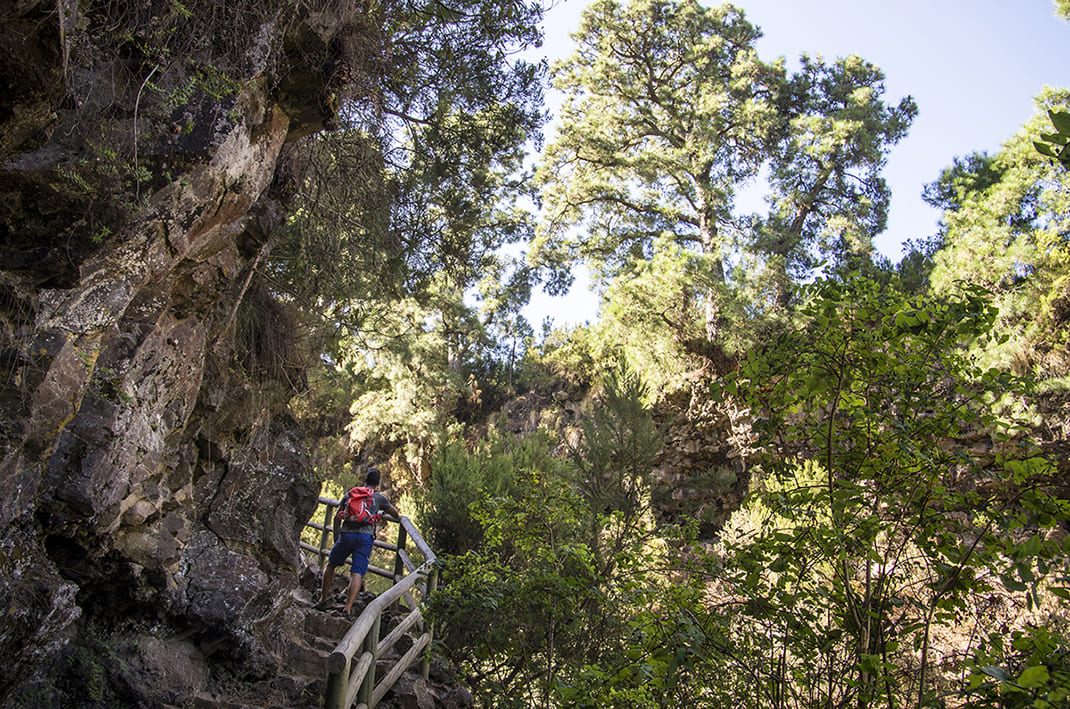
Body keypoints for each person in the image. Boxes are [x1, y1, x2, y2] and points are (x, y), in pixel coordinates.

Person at [318, 467, 400, 615]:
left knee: (330, 565)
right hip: (364, 538)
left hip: (346, 535)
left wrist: (337, 537)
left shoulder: (352, 493)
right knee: (357, 573)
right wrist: (380, 511)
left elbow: (337, 516)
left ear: (365, 480)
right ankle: (347, 608)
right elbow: (396, 514)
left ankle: (323, 600)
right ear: (378, 484)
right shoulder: (379, 498)